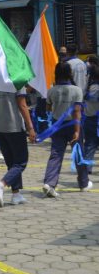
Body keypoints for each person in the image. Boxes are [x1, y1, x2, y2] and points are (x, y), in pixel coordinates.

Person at [42, 62, 91, 197]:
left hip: (57, 124)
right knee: (78, 153)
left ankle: (49, 183)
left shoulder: (52, 90)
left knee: (56, 154)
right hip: (73, 124)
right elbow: (77, 112)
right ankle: (83, 183)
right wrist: (76, 130)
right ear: (70, 73)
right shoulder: (77, 90)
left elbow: (48, 109)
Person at [0, 88, 36, 207]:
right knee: (21, 162)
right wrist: (30, 128)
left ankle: (16, 194)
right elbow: (22, 105)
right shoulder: (17, 83)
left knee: (11, 163)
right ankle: (2, 184)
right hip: (14, 126)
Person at [84, 64, 99, 171]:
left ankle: (87, 169)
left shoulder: (87, 88)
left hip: (89, 119)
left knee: (89, 145)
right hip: (96, 120)